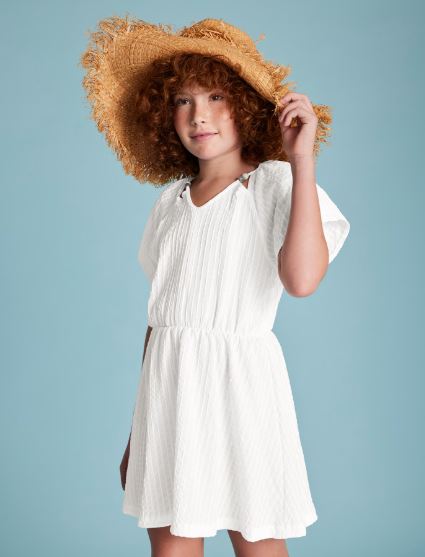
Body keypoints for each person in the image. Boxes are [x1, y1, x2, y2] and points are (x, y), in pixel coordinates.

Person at [80, 15, 350, 557]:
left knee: (258, 543)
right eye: (182, 100)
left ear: (245, 105)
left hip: (242, 391)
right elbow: (161, 320)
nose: (198, 115)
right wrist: (137, 432)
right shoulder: (169, 204)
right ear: (165, 113)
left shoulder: (274, 184)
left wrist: (302, 162)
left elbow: (301, 280)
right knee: (171, 547)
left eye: (215, 97)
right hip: (169, 395)